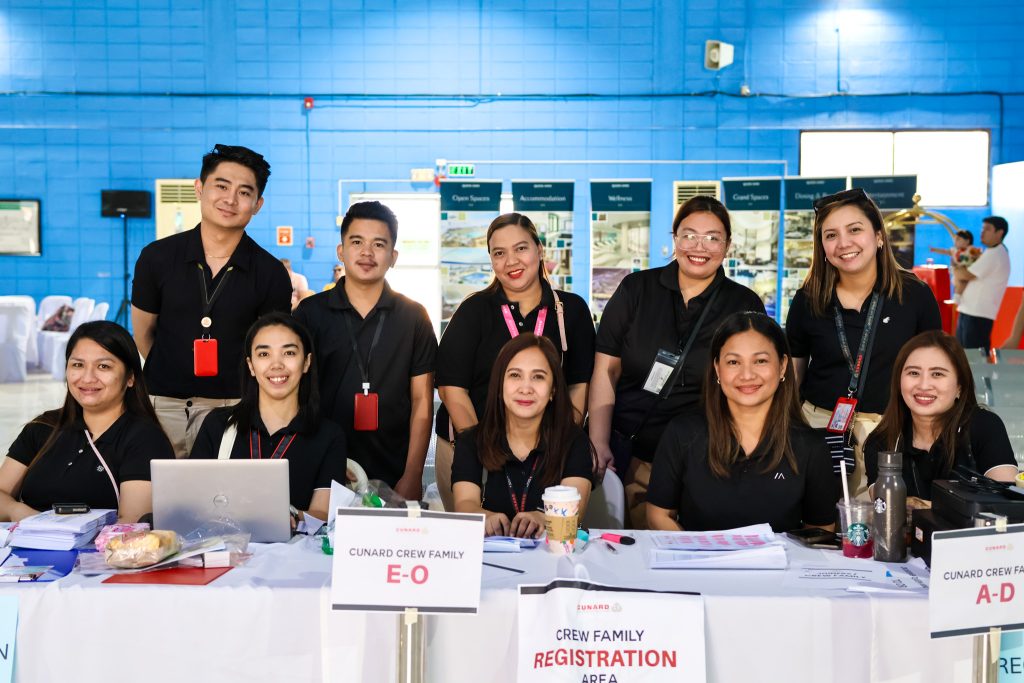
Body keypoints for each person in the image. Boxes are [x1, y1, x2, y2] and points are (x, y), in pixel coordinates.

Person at [589, 195, 764, 529]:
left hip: (709, 460)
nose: (699, 246)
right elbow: (606, 370)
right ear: (675, 238)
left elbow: (754, 385)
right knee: (632, 547)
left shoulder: (743, 303)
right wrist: (599, 440)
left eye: (712, 237)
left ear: (727, 245)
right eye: (689, 235)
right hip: (634, 456)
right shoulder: (636, 289)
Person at [132, 144, 292, 457]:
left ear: (257, 204)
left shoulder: (270, 272)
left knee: (226, 489)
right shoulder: (156, 258)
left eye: (244, 192)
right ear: (199, 188)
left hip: (234, 407)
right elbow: (143, 333)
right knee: (161, 488)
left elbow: (269, 348)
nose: (230, 199)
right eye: (221, 186)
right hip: (163, 405)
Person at [786, 188, 942, 496]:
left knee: (886, 519)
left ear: (879, 236)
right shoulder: (808, 299)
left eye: (855, 230)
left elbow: (937, 368)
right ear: (822, 246)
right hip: (820, 428)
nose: (843, 243)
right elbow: (794, 373)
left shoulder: (914, 295)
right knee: (821, 518)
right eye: (831, 235)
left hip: (891, 431)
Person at [435, 213, 595, 511]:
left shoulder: (570, 310)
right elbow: (452, 389)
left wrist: (560, 444)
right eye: (499, 253)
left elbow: (578, 386)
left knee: (544, 532)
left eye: (521, 248)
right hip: (472, 452)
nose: (511, 261)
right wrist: (483, 451)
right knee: (477, 534)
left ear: (539, 250)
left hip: (546, 457)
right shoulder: (474, 310)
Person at [294, 201, 436, 501]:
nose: (367, 253)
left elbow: (422, 401)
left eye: (379, 244)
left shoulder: (413, 316)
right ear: (341, 251)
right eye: (357, 242)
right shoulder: (310, 313)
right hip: (322, 470)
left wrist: (412, 475)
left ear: (393, 257)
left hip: (394, 472)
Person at [646, 312, 835, 533]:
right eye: (733, 362)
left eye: (760, 361)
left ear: (783, 366)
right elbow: (658, 515)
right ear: (717, 368)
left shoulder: (811, 447)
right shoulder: (682, 433)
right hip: (697, 556)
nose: (747, 375)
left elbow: (820, 532)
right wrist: (696, 551)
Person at [0, 321, 174, 522]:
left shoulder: (146, 440)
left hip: (102, 543)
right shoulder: (43, 427)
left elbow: (132, 526)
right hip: (28, 539)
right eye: (78, 365)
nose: (87, 378)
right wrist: (17, 511)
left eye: (103, 366)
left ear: (130, 378)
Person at [191, 313, 347, 523]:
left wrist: (290, 516)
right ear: (251, 365)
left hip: (295, 543)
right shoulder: (217, 425)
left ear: (307, 362)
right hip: (224, 542)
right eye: (264, 354)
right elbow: (193, 502)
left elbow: (323, 514)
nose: (276, 364)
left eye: (289, 353)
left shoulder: (328, 435)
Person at [451, 334, 593, 537]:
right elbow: (465, 504)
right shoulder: (471, 442)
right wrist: (485, 517)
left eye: (538, 377)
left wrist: (542, 518)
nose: (525, 388)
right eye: (515, 375)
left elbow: (574, 510)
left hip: (550, 553)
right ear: (499, 385)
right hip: (490, 554)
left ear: (553, 389)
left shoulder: (573, 441)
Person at [864, 330, 1018, 506]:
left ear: (960, 386)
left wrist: (921, 507)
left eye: (937, 374)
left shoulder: (985, 426)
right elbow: (885, 509)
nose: (923, 385)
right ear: (899, 382)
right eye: (913, 373)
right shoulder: (882, 441)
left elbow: (1006, 505)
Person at [954, 216, 1010, 353]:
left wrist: (956, 268)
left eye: (987, 229)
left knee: (974, 359)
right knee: (963, 356)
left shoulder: (996, 253)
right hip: (970, 311)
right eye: (982, 228)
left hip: (978, 314)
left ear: (999, 233)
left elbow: (966, 275)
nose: (982, 232)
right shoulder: (990, 252)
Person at [928, 229, 980, 302]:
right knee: (957, 283)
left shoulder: (970, 249)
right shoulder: (954, 250)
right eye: (955, 239)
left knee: (962, 282)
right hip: (958, 271)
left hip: (967, 271)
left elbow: (978, 255)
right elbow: (945, 251)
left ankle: (957, 296)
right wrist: (935, 250)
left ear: (967, 241)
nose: (955, 241)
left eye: (958, 239)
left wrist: (976, 255)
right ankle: (957, 296)